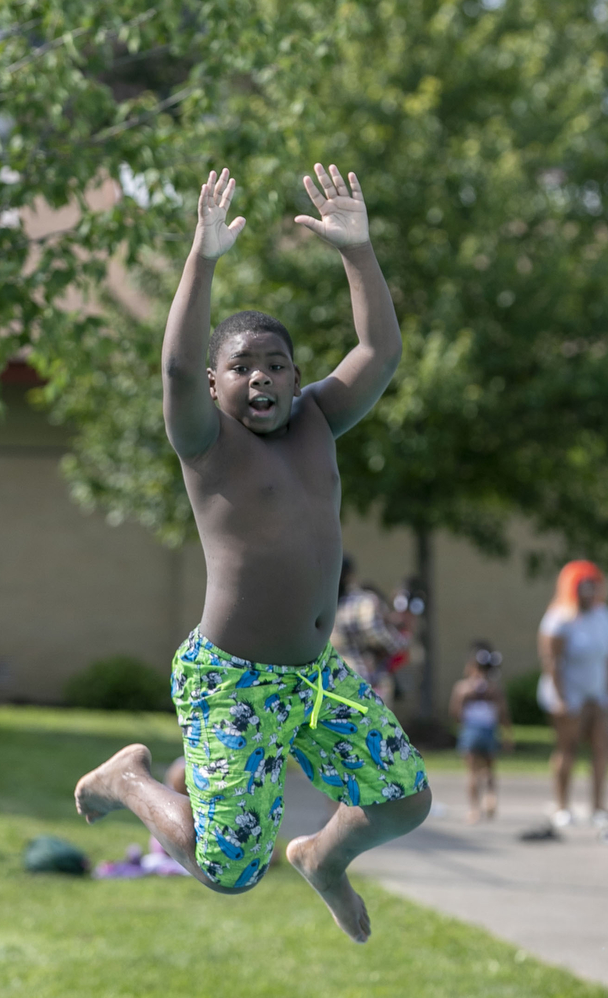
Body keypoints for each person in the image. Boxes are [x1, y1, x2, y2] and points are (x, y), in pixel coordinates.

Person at [74, 163, 431, 943]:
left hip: (315, 675)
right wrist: (201, 260)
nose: (260, 377)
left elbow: (379, 348)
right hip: (231, 679)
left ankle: (325, 860)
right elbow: (171, 365)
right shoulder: (207, 444)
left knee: (404, 799)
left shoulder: (315, 422)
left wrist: (358, 251)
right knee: (228, 867)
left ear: (298, 377)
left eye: (275, 364)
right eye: (241, 366)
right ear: (214, 382)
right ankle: (128, 779)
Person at [537, 560, 608, 827]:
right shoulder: (560, 617)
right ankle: (562, 806)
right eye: (583, 585)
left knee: (602, 748)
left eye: (592, 585)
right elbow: (552, 661)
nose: (588, 591)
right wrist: (561, 698)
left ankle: (598, 805)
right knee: (567, 749)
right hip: (569, 693)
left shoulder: (605, 615)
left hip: (597, 692)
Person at [448, 641, 512, 823]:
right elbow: (503, 713)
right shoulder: (494, 689)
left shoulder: (463, 688)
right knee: (490, 769)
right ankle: (490, 797)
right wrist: (508, 734)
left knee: (472, 772)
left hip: (470, 731)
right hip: (489, 731)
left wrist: (461, 724)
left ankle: (474, 809)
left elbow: (455, 711)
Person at [331, 555, 408, 705]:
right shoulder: (362, 602)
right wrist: (399, 643)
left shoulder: (323, 602)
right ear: (350, 576)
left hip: (330, 679)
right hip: (361, 677)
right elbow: (376, 634)